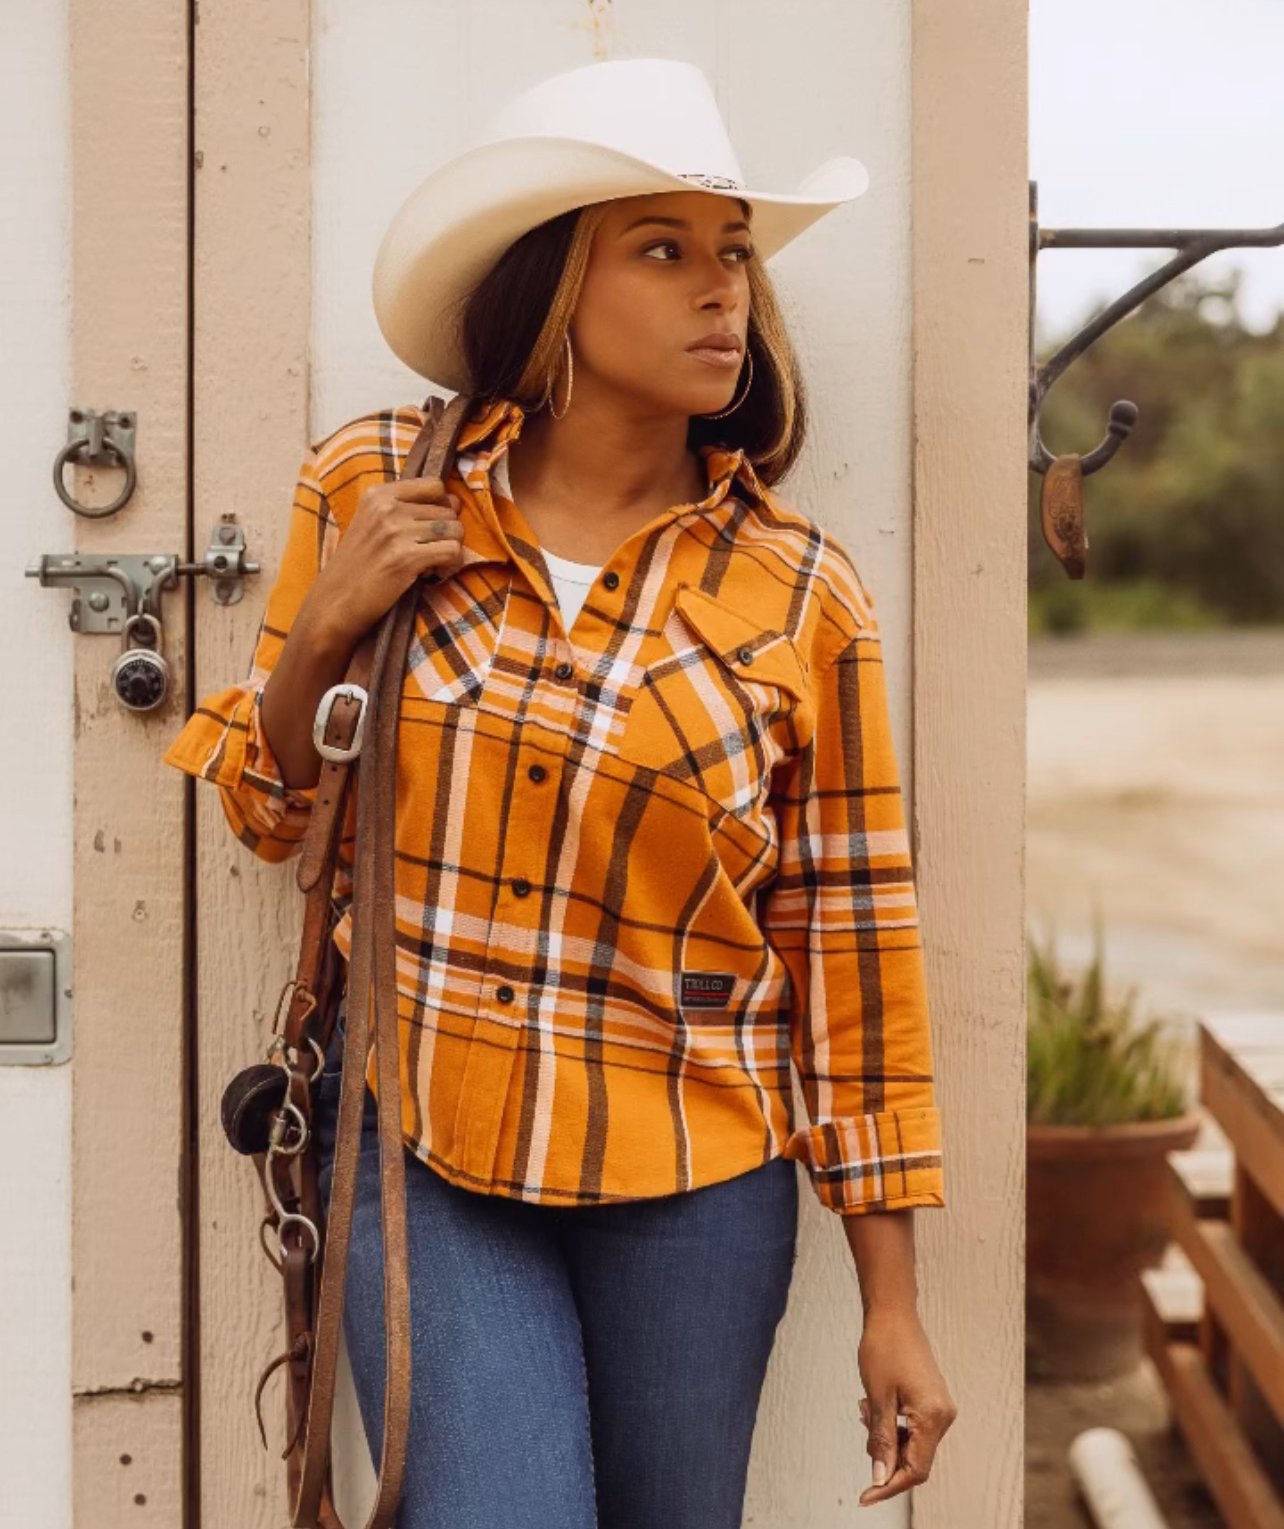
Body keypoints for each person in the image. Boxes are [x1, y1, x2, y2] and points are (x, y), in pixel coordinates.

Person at [163, 55, 956, 1529]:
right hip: (422, 1140)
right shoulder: (373, 487)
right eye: (661, 250)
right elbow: (271, 812)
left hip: (694, 1172)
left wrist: (892, 1296)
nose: (722, 291)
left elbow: (853, 948)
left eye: (732, 256)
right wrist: (330, 619)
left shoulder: (803, 594)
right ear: (547, 290)